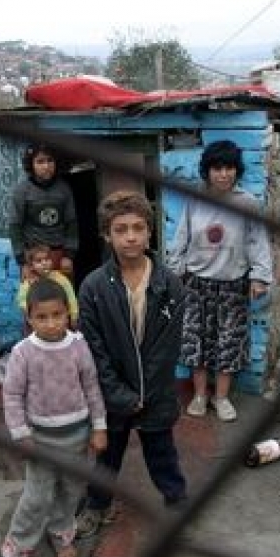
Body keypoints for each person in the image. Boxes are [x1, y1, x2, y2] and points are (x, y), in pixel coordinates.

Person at [75, 190, 188, 538]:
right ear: (106, 235)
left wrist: (144, 395)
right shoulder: (93, 287)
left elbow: (167, 350)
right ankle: (97, 504)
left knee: (162, 453)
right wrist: (119, 394)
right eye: (120, 229)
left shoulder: (169, 285)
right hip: (113, 393)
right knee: (107, 455)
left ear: (150, 232)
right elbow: (94, 350)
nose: (131, 237)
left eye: (138, 227)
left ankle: (177, 501)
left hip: (155, 392)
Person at [0, 278, 108, 557]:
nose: (50, 323)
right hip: (40, 442)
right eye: (41, 317)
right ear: (29, 318)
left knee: (71, 492)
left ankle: (61, 533)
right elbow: (12, 396)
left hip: (77, 439)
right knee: (36, 498)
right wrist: (21, 435)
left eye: (57, 315)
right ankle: (17, 550)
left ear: (68, 313)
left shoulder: (78, 346)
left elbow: (91, 387)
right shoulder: (23, 352)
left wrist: (99, 427)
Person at [166, 140, 273, 422]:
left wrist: (260, 276)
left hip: (232, 285)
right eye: (217, 168)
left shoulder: (247, 203)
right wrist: (175, 272)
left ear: (237, 170)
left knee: (229, 342)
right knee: (197, 342)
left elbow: (257, 241)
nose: (223, 174)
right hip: (196, 284)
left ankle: (222, 398)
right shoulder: (194, 200)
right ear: (208, 171)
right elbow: (181, 238)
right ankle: (200, 395)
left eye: (229, 168)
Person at [9, 143, 79, 279]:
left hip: (59, 254)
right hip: (34, 256)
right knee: (35, 291)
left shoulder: (64, 189)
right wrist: (23, 262)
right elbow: (15, 226)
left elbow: (71, 223)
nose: (46, 166)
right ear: (31, 165)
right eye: (40, 162)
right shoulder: (22, 191)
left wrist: (69, 256)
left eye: (50, 160)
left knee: (62, 289)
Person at [15, 243, 79, 330]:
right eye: (39, 261)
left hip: (60, 322)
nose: (44, 263)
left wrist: (74, 316)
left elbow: (71, 298)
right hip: (38, 324)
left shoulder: (60, 279)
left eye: (47, 259)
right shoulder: (28, 283)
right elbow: (22, 302)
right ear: (31, 266)